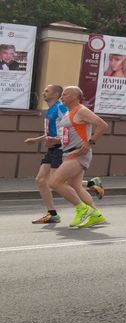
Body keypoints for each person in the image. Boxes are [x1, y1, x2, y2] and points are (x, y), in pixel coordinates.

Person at [48, 86, 109, 228]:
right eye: (62, 95)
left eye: (65, 94)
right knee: (75, 185)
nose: (62, 97)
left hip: (79, 153)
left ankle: (82, 209)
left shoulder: (82, 110)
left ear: (75, 97)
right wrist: (55, 140)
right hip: (68, 152)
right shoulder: (68, 113)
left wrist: (90, 142)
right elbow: (68, 134)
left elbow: (103, 125)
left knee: (54, 182)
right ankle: (96, 215)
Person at [24, 84, 66, 224]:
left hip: (60, 148)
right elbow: (50, 133)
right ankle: (52, 214)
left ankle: (91, 183)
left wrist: (57, 141)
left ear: (56, 94)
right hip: (52, 148)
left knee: (55, 182)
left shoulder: (60, 108)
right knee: (41, 180)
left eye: (47, 91)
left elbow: (68, 128)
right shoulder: (50, 110)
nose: (43, 93)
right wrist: (36, 140)